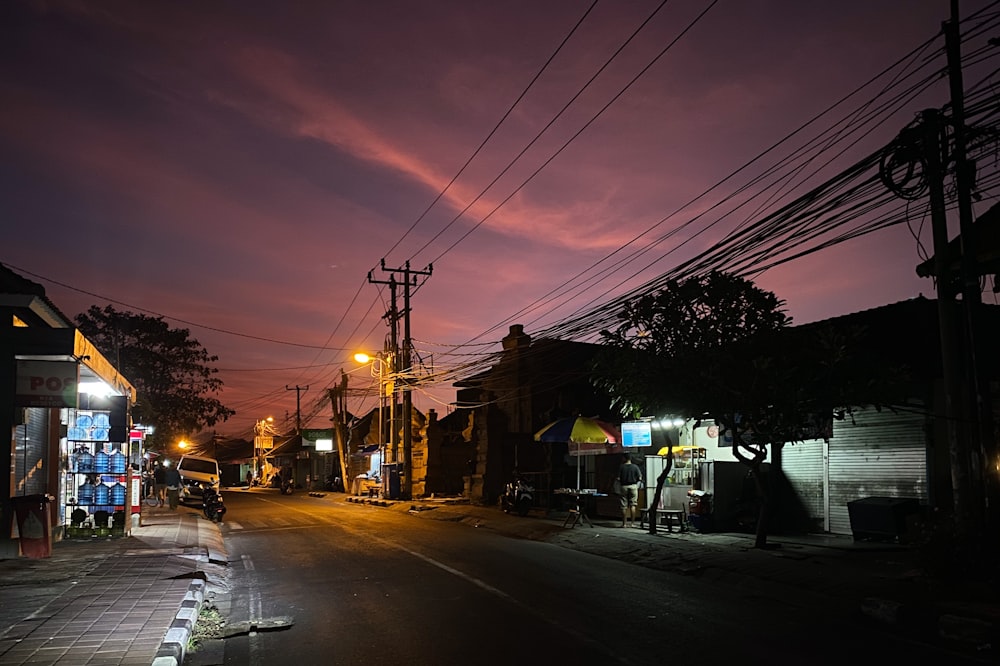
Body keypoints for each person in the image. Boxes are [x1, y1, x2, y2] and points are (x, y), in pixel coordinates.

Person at [618, 454, 643, 528]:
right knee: (633, 505)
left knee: (623, 506)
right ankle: (632, 523)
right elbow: (640, 478)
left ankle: (624, 524)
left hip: (623, 486)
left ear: (624, 458)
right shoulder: (635, 467)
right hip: (633, 486)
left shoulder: (621, 467)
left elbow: (618, 478)